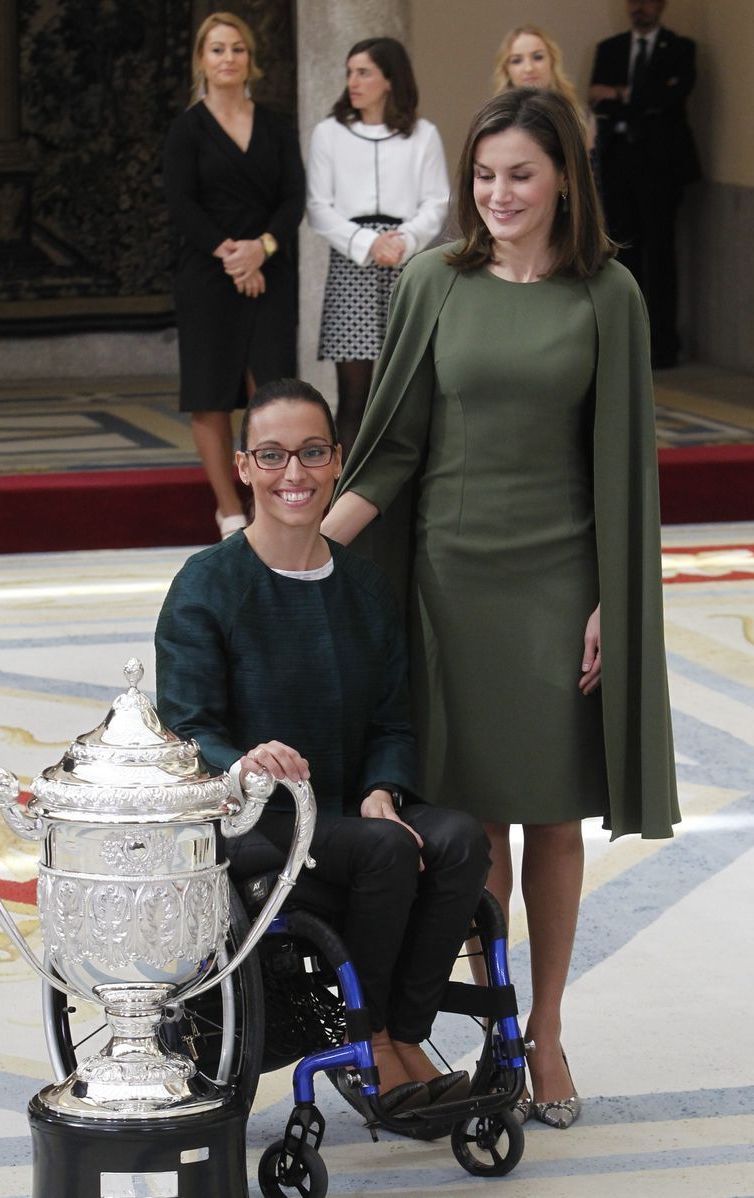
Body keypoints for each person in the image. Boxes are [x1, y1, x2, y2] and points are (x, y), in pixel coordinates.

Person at [322, 87, 679, 1130]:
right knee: (473, 821)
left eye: (520, 173)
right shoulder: (434, 281)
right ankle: (496, 1020)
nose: (499, 193)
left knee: (555, 815)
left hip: (560, 577)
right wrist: (293, 553)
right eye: (483, 177)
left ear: (565, 175)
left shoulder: (607, 294)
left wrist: (614, 595)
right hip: (447, 579)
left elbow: (624, 460)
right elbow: (391, 444)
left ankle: (549, 1025)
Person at [155, 378, 490, 1114]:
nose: (294, 474)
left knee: (460, 838)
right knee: (387, 851)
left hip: (348, 808)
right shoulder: (208, 585)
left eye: (311, 453)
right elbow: (187, 726)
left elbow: (393, 721)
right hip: (257, 823)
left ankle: (405, 1034)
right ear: (243, 467)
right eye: (271, 456)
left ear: (338, 460)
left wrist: (383, 787)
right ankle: (364, 1045)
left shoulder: (364, 589)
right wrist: (245, 762)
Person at [163, 12, 305, 538]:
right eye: (217, 49)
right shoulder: (186, 129)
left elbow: (294, 198)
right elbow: (180, 202)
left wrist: (260, 250)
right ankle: (227, 510)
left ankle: (267, 504)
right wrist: (230, 254)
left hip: (270, 270)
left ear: (252, 60)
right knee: (210, 391)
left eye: (237, 49)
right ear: (202, 59)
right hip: (206, 272)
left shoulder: (275, 126)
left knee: (271, 391)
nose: (228, 58)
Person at [307, 37, 449, 460]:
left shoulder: (423, 135)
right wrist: (370, 244)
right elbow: (318, 207)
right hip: (353, 266)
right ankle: (344, 498)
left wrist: (402, 242)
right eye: (350, 72)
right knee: (354, 396)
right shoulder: (329, 133)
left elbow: (437, 201)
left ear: (390, 79)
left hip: (407, 267)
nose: (353, 81)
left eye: (364, 72)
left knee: (409, 390)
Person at [588, 0, 700, 368]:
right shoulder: (611, 49)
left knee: (661, 256)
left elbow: (670, 99)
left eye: (647, 1)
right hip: (618, 166)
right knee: (624, 255)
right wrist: (638, 101)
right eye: (633, 1)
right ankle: (626, 340)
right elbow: (596, 99)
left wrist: (622, 95)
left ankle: (663, 344)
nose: (639, 8)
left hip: (661, 169)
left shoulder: (680, 49)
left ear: (661, 6)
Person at [493, 25, 596, 153]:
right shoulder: (495, 121)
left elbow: (590, 169)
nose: (529, 68)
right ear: (506, 69)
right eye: (517, 60)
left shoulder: (580, 117)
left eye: (538, 57)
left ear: (552, 62)